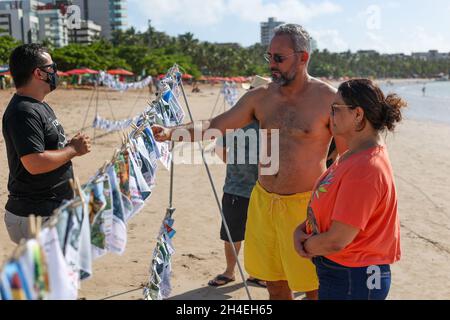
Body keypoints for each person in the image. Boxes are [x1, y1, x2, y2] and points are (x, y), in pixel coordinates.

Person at [152, 24, 345, 300]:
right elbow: (216, 125)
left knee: (312, 285)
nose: (272, 66)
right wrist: (172, 133)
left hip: (306, 207)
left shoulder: (329, 98)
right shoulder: (260, 97)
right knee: (275, 284)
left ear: (303, 58)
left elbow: (350, 153)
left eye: (279, 58)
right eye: (269, 57)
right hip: (263, 203)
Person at [293, 78, 404, 300]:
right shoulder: (353, 154)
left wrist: (306, 243)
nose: (330, 113)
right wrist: (301, 229)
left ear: (358, 114)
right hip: (345, 272)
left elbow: (337, 239)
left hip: (354, 277)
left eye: (335, 108)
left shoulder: (366, 167)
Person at [2, 44, 92, 244]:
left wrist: (68, 146)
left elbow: (45, 149)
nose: (55, 72)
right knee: (50, 276)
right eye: (52, 68)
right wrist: (73, 149)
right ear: (39, 73)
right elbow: (34, 163)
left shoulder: (39, 105)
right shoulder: (23, 111)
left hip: (49, 210)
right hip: (34, 215)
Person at [208, 76, 271, 288]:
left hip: (264, 189)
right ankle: (230, 272)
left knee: (258, 234)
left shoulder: (270, 123)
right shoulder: (238, 121)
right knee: (233, 233)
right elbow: (219, 147)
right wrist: (235, 167)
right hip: (238, 188)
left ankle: (254, 273)